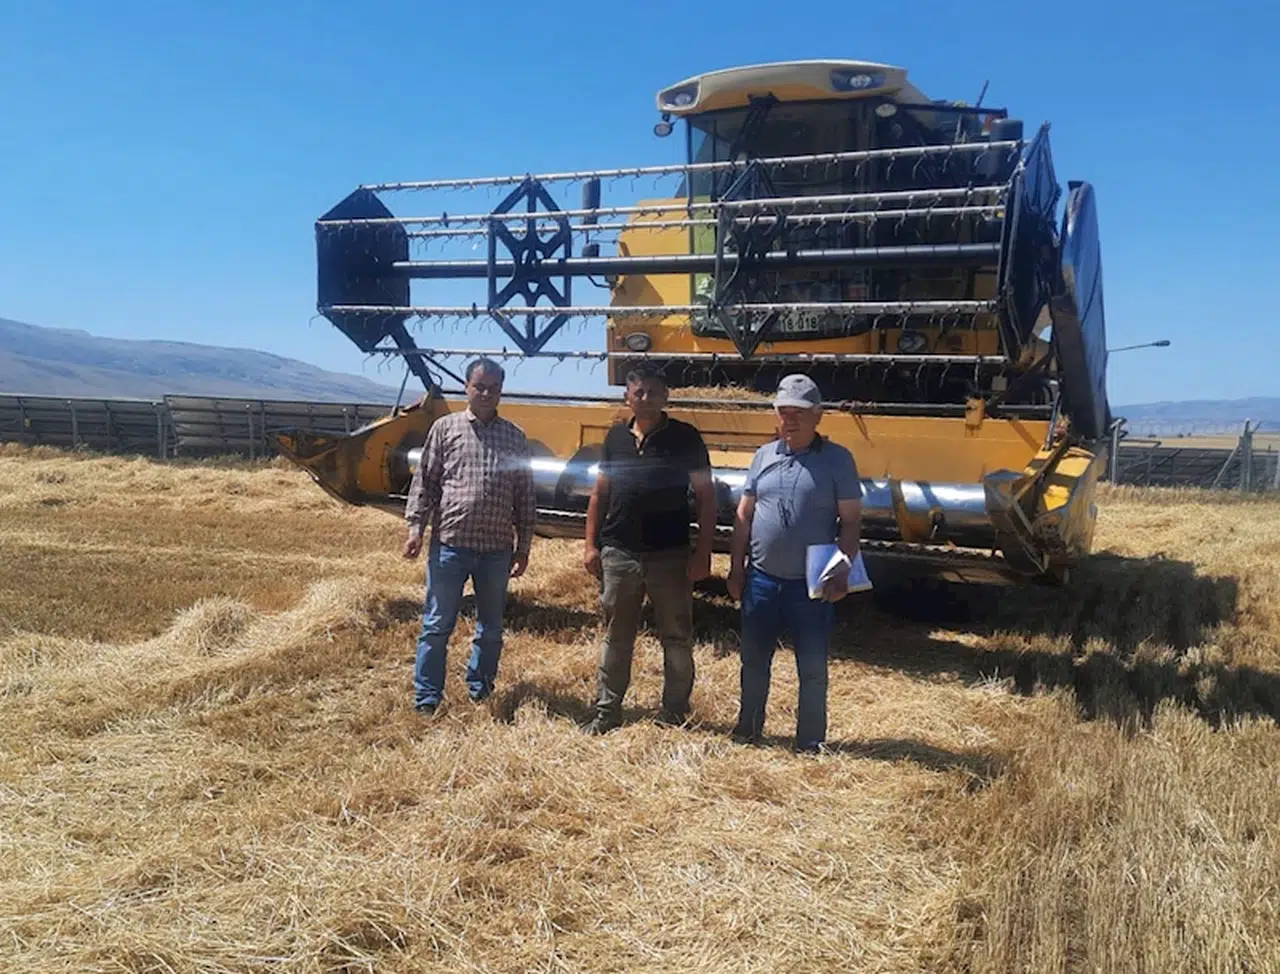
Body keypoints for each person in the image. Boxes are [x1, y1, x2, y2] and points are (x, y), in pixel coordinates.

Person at [726, 373, 863, 754]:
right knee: (754, 661)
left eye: (799, 412)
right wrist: (736, 567)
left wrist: (841, 569)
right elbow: (744, 515)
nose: (790, 420)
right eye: (783, 412)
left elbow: (851, 521)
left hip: (811, 584)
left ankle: (810, 742)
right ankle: (748, 730)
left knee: (813, 667)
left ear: (818, 415)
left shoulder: (837, 460)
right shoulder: (763, 456)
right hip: (761, 579)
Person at [582, 365, 716, 734]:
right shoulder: (615, 438)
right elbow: (600, 495)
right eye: (638, 392)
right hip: (619, 553)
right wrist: (591, 545)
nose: (646, 398)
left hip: (669, 554)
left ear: (666, 395)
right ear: (627, 397)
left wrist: (703, 552)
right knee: (616, 636)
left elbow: (706, 497)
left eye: (653, 392)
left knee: (676, 636)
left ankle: (674, 713)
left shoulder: (685, 437)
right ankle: (607, 712)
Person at [402, 358, 535, 713]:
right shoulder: (445, 429)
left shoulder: (514, 437)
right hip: (450, 545)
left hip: (496, 551)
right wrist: (416, 529)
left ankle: (481, 690)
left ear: (501, 391)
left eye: (494, 388)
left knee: (490, 628)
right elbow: (426, 482)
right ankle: (427, 698)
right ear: (466, 387)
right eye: (480, 386)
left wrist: (523, 547)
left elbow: (525, 496)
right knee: (436, 625)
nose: (486, 393)